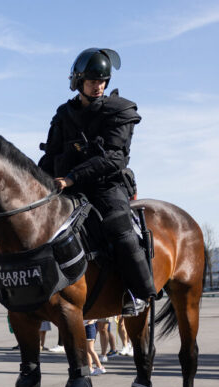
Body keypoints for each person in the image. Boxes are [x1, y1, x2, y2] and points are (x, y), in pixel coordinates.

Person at [38, 48, 156, 317]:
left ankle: (138, 293)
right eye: (92, 81)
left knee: (121, 230)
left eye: (103, 81)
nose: (98, 86)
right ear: (78, 82)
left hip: (107, 185)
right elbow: (50, 155)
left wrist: (71, 177)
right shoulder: (63, 114)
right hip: (67, 187)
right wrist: (34, 183)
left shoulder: (120, 110)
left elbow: (116, 158)